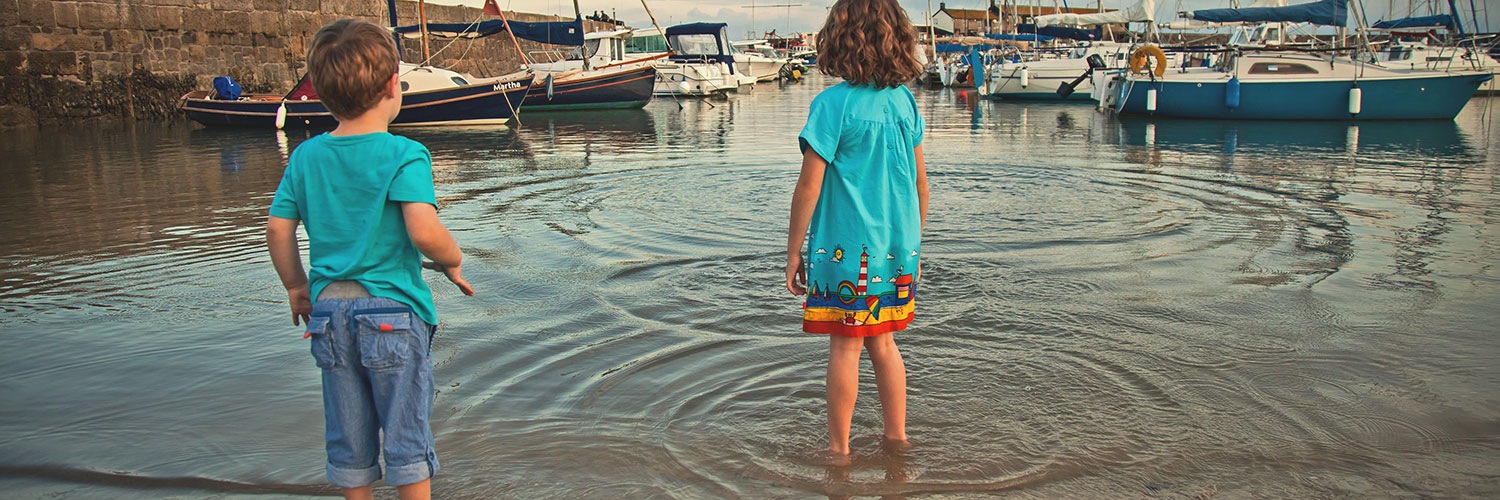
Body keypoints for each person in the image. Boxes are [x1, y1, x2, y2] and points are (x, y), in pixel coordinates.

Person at [265, 19, 474, 500]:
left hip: (328, 314)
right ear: (391, 87)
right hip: (392, 313)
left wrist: (297, 288)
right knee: (405, 434)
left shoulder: (306, 156)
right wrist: (453, 261)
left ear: (319, 91)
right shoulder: (405, 153)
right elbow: (424, 232)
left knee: (349, 431)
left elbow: (278, 228)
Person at [784, 0, 928, 465]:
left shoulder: (832, 105)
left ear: (839, 40)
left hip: (844, 252)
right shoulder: (905, 102)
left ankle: (840, 451)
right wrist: (915, 248)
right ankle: (897, 439)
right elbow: (921, 184)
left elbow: (809, 185)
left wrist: (792, 253)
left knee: (845, 348)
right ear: (898, 41)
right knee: (884, 343)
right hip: (895, 250)